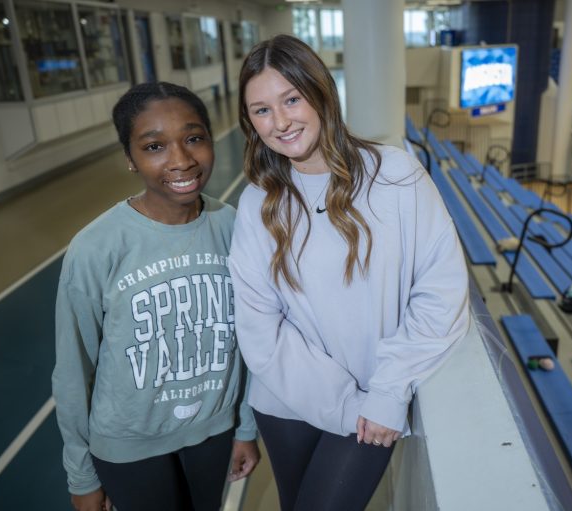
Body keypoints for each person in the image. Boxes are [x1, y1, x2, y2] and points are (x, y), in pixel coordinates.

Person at [230, 34, 471, 511]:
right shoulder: (258, 203)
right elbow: (259, 327)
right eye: (261, 110)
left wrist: (386, 391)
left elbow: (440, 290)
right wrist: (349, 405)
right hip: (288, 404)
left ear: (320, 93)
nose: (279, 122)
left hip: (372, 403)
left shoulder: (396, 175)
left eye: (291, 99)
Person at [52, 82, 260, 511]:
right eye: (154, 146)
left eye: (193, 138)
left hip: (213, 430)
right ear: (130, 159)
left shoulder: (232, 226)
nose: (181, 159)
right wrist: (81, 473)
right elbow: (74, 370)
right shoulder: (95, 248)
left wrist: (244, 428)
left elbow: (253, 338)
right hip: (129, 445)